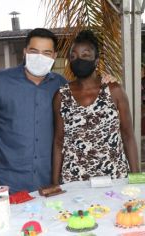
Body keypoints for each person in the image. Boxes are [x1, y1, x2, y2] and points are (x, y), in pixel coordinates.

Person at [0, 28, 116, 193]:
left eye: (46, 53)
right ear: (25, 52)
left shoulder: (62, 86)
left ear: (54, 57)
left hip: (50, 180)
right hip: (9, 180)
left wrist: (106, 80)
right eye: (34, 51)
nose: (40, 57)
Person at [52, 30, 138, 185]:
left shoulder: (114, 90)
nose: (78, 59)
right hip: (74, 181)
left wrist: (137, 175)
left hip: (114, 177)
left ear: (96, 60)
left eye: (85, 55)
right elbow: (59, 142)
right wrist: (54, 182)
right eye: (73, 56)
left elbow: (128, 136)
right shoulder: (61, 95)